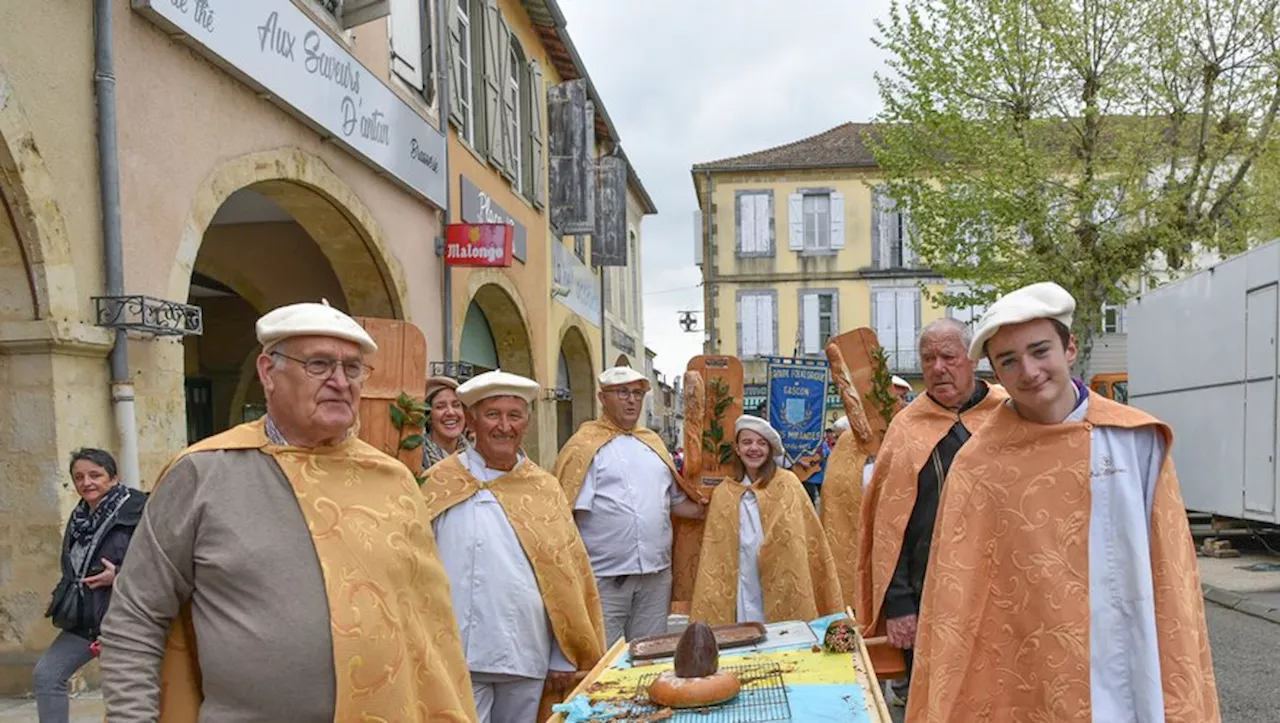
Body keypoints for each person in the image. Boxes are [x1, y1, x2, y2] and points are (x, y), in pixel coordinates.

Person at [99, 300, 476, 722]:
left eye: (352, 368)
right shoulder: (202, 473)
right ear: (267, 372)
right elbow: (136, 615)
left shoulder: (392, 480)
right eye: (319, 364)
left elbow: (428, 629)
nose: (339, 381)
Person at [908, 282, 1220, 722]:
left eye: (1040, 351)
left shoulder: (1135, 440)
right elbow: (960, 592)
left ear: (1069, 348)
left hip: (1127, 652)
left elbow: (1170, 570)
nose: (1029, 371)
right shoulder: (979, 463)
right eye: (1009, 361)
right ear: (995, 371)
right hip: (1025, 657)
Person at [422, 369, 605, 723]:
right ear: (472, 419)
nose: (503, 426)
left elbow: (566, 576)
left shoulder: (544, 489)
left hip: (524, 650)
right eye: (492, 414)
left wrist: (561, 654)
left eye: (514, 415)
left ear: (527, 423)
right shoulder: (439, 483)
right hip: (454, 654)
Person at [857, 317, 1007, 706]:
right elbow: (889, 530)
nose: (938, 368)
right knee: (937, 702)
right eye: (928, 359)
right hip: (928, 599)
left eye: (948, 356)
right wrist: (900, 605)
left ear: (972, 359)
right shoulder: (906, 428)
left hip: (1002, 591)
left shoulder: (1007, 414)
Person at [553, 366, 708, 647]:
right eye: (622, 392)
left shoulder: (653, 444)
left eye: (638, 393)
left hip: (655, 577)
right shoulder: (583, 447)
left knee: (651, 657)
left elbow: (675, 503)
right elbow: (566, 515)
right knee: (603, 661)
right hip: (605, 580)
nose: (631, 400)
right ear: (602, 397)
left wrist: (717, 504)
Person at [690, 415, 843, 625]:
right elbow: (715, 551)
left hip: (782, 578)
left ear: (770, 450)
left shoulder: (787, 484)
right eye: (747, 442)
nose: (754, 449)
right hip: (740, 578)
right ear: (737, 449)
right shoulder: (724, 492)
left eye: (762, 443)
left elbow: (807, 537)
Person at [35, 449, 145, 723]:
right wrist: (61, 594)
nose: (87, 483)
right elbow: (72, 567)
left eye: (95, 475)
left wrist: (118, 575)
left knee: (127, 698)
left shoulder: (140, 509)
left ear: (114, 477)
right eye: (79, 477)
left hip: (127, 619)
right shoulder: (79, 518)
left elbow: (164, 563)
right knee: (47, 675)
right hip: (86, 619)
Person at [423, 375, 468, 467]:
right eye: (440, 407)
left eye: (456, 405)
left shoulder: (478, 457)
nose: (451, 412)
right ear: (428, 416)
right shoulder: (416, 456)